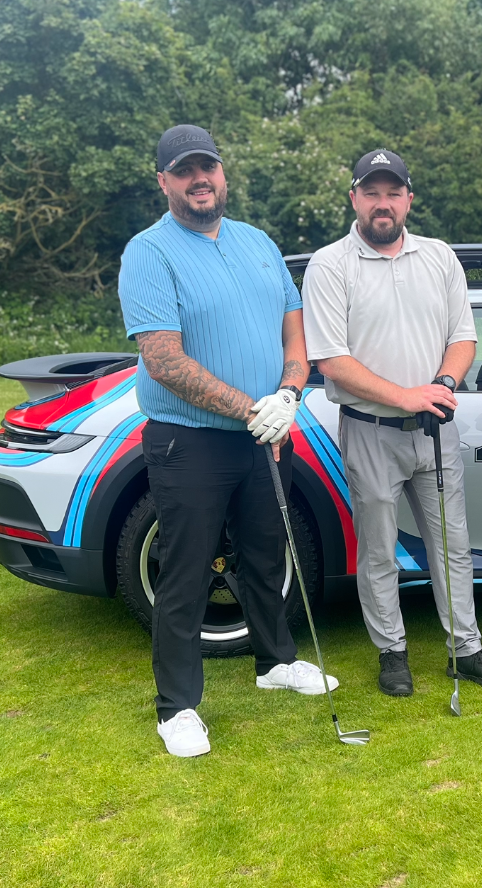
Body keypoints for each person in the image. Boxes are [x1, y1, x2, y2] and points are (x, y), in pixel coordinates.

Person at [118, 124, 337, 758]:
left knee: (267, 555)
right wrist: (251, 409)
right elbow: (164, 360)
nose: (199, 180)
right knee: (186, 573)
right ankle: (178, 707)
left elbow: (294, 331)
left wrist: (289, 393)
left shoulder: (258, 242)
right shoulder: (149, 252)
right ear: (164, 181)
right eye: (184, 171)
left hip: (268, 432)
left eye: (206, 167)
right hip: (190, 443)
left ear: (222, 172)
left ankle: (277, 662)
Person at [302, 149, 482, 697]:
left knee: (453, 545)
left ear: (408, 199)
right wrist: (407, 396)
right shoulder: (330, 265)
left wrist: (442, 385)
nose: (383, 203)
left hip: (435, 427)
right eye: (371, 193)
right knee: (379, 550)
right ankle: (392, 652)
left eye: (393, 193)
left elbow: (462, 339)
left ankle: (465, 649)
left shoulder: (439, 257)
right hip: (369, 429)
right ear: (354, 198)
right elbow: (331, 360)